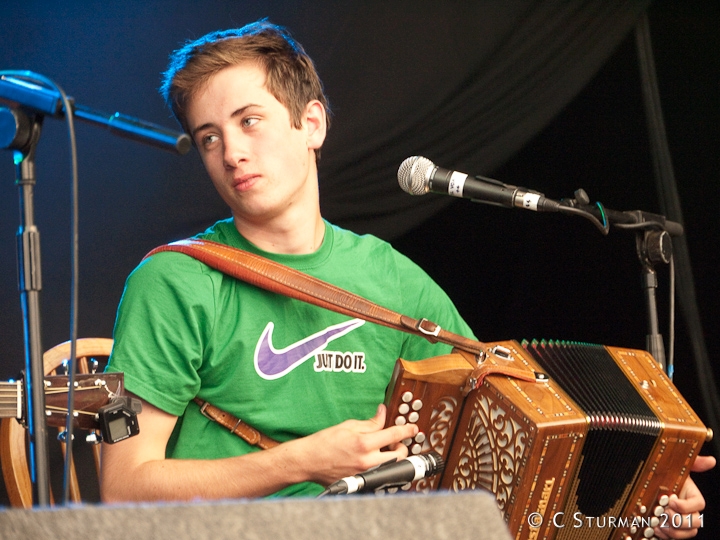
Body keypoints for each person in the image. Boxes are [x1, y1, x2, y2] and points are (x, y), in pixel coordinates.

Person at [101, 20, 713, 538]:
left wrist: (641, 492)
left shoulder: (390, 279)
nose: (231, 151)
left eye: (250, 121)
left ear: (311, 124)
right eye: (210, 138)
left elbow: (513, 420)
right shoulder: (175, 281)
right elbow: (125, 492)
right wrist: (303, 461)